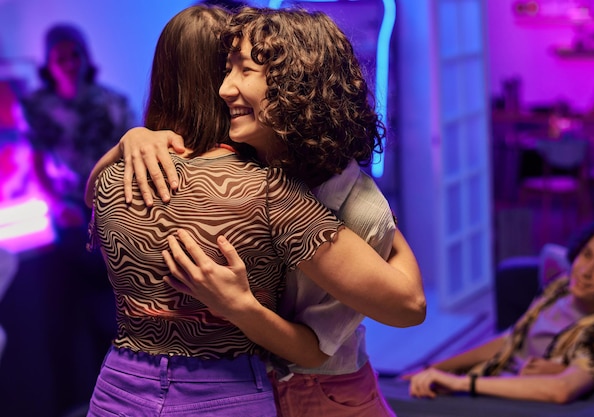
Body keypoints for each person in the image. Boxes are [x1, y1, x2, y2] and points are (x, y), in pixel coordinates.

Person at [85, 6, 425, 417]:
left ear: (294, 85)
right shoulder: (256, 167)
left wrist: (239, 306)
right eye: (224, 72)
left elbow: (406, 307)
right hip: (261, 381)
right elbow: (95, 194)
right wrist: (132, 140)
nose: (224, 89)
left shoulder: (349, 202)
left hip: (325, 390)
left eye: (243, 71)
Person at [18, 23, 135, 415]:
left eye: (74, 55)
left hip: (110, 214)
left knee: (113, 309)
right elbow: (35, 160)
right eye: (60, 57)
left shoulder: (111, 103)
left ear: (86, 59)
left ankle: (120, 393)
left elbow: (127, 157)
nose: (68, 63)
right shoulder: (37, 107)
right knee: (63, 315)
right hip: (65, 220)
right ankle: (74, 399)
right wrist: (55, 201)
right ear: (49, 64)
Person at [402, 221, 594, 404]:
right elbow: (510, 339)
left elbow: (562, 389)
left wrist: (460, 384)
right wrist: (436, 367)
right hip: (490, 376)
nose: (586, 271)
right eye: (587, 255)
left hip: (511, 402)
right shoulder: (562, 287)